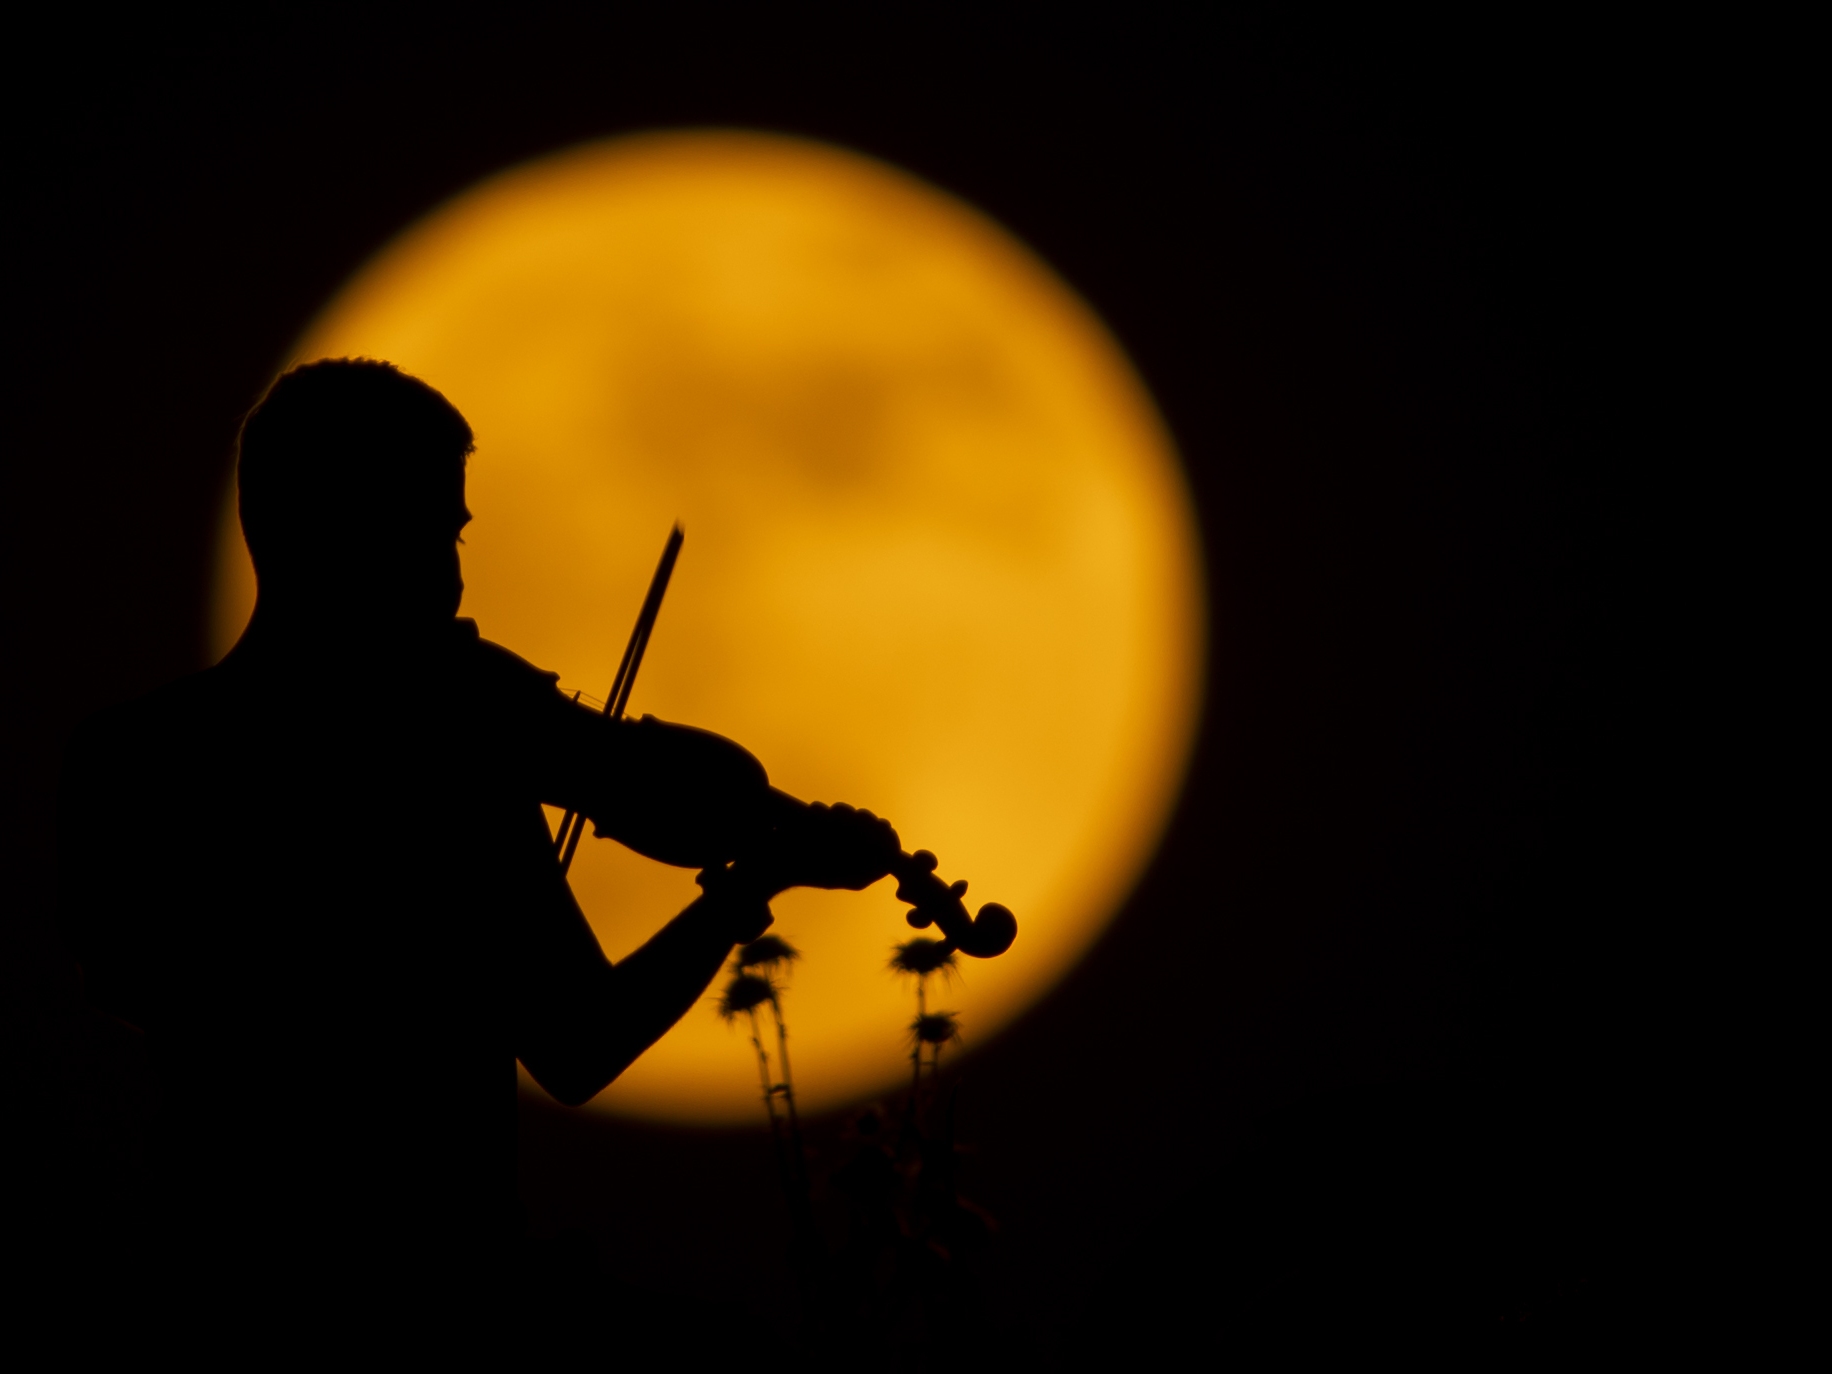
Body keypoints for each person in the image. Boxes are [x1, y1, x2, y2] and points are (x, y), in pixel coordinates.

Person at [55, 358, 900, 1338]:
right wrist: (748, 882)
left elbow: (142, 989)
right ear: (317, 528)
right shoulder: (456, 755)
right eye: (425, 530)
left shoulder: (123, 761)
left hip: (209, 1280)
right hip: (439, 1296)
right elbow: (579, 1046)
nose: (453, 574)